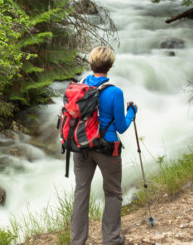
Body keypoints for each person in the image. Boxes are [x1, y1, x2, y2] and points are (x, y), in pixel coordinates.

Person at [70, 46, 137, 245]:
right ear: (111, 65)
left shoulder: (79, 86)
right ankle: (111, 239)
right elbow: (121, 127)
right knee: (113, 193)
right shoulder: (115, 92)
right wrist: (132, 111)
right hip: (107, 148)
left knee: (81, 191)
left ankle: (77, 241)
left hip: (80, 145)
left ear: (91, 64)